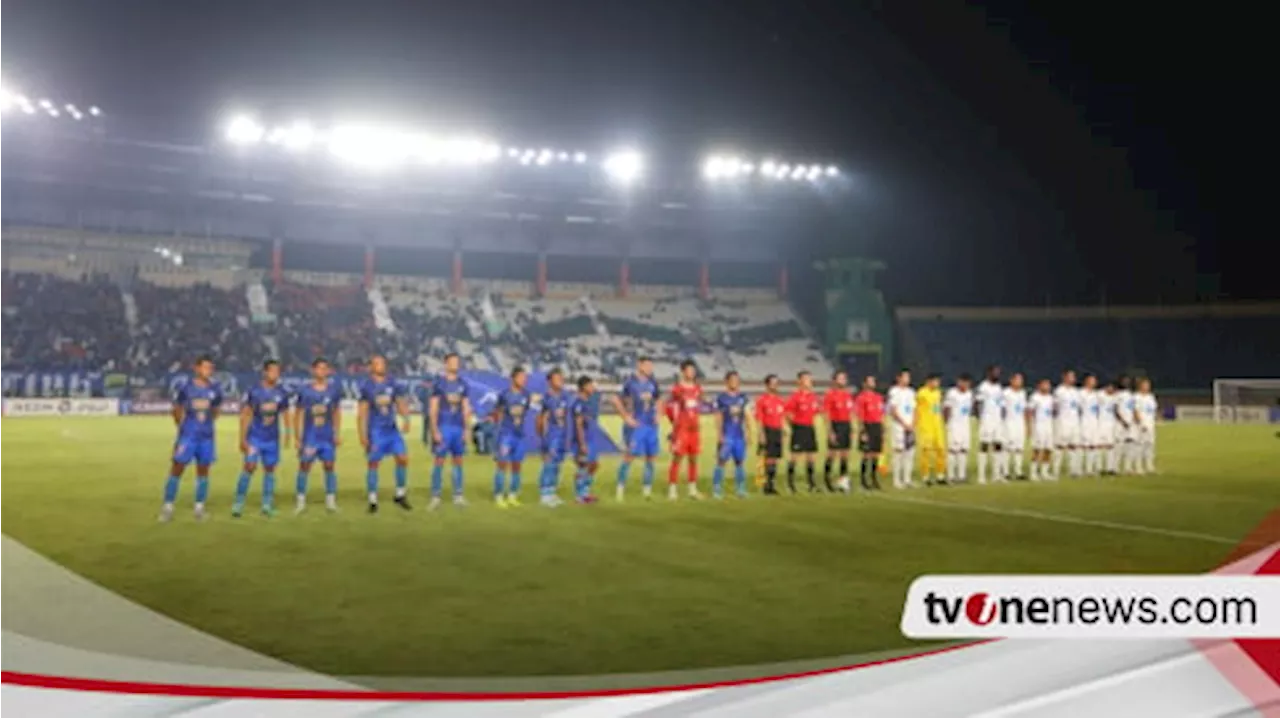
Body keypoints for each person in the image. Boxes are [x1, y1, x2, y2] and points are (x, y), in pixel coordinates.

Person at [159, 355, 223, 522]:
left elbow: (216, 409)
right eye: (205, 367)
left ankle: (199, 507)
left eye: (210, 368)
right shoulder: (186, 387)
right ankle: (167, 506)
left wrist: (207, 425)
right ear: (196, 368)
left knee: (203, 471)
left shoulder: (215, 388)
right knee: (177, 468)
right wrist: (182, 427)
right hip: (188, 436)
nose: (208, 371)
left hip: (206, 437)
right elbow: (177, 409)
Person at [233, 359, 291, 518]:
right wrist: (242, 438)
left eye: (278, 372)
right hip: (255, 437)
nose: (275, 375)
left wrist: (288, 432)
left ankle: (267, 503)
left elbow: (285, 412)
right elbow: (246, 415)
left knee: (270, 469)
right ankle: (238, 503)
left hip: (272, 438)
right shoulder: (254, 391)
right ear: (265, 372)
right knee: (249, 466)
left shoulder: (282, 392)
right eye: (272, 371)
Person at [358, 354, 412, 513]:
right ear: (371, 367)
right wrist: (362, 435)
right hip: (376, 431)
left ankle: (400, 494)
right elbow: (362, 412)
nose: (381, 366)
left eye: (383, 363)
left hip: (392, 429)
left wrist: (406, 418)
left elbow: (400, 402)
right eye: (377, 363)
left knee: (402, 458)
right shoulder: (367, 386)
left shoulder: (392, 383)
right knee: (374, 463)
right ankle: (373, 499)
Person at [293, 357, 343, 513]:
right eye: (319, 368)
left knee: (329, 466)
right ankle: (300, 502)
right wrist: (298, 437)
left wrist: (336, 433)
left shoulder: (333, 390)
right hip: (310, 436)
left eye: (325, 368)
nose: (322, 371)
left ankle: (331, 502)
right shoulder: (305, 391)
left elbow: (336, 412)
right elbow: (298, 413)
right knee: (304, 466)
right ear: (313, 371)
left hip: (327, 436)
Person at [613, 356, 663, 501]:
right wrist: (626, 417)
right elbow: (616, 399)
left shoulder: (653, 382)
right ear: (639, 366)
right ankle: (620, 489)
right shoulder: (630, 382)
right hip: (637, 425)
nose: (650, 368)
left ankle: (647, 490)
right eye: (647, 365)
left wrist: (659, 414)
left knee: (651, 457)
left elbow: (659, 399)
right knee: (630, 456)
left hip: (651, 426)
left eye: (651, 366)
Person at [429, 353, 472, 509]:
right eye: (452, 361)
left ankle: (458, 495)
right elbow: (433, 408)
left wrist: (467, 429)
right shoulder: (439, 384)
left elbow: (466, 408)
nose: (455, 364)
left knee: (458, 461)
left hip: (458, 428)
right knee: (439, 460)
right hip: (443, 427)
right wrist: (434, 430)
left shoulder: (463, 384)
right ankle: (435, 496)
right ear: (446, 364)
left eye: (457, 362)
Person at [491, 366, 532, 507]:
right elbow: (497, 413)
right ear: (513, 378)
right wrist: (498, 432)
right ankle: (498, 494)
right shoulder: (504, 395)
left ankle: (513, 494)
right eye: (521, 377)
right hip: (506, 434)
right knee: (502, 464)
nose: (524, 380)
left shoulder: (526, 395)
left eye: (525, 378)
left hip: (519, 435)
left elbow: (524, 412)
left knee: (517, 465)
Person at [667, 360, 704, 500]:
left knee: (694, 458)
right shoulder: (677, 389)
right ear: (683, 372)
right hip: (682, 428)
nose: (692, 373)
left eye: (693, 370)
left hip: (694, 428)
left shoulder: (698, 389)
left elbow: (697, 407)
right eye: (689, 370)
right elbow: (672, 409)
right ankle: (672, 490)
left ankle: (692, 490)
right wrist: (674, 429)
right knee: (677, 458)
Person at [713, 371, 752, 499]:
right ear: (727, 382)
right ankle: (717, 489)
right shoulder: (721, 398)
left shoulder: (743, 397)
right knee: (721, 461)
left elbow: (747, 416)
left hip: (739, 435)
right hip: (727, 434)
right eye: (732, 380)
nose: (735, 382)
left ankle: (740, 488)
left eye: (737, 380)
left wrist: (748, 432)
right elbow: (718, 417)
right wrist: (719, 434)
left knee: (740, 462)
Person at [537, 368, 570, 507]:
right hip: (552, 434)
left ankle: (552, 491)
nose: (560, 381)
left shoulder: (565, 396)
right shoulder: (547, 398)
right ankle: (544, 493)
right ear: (550, 381)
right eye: (557, 378)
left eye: (561, 378)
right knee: (549, 463)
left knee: (557, 464)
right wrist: (544, 438)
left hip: (562, 434)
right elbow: (542, 418)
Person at [784, 370, 822, 493]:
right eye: (806, 379)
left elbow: (817, 411)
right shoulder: (795, 397)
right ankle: (790, 484)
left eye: (810, 379)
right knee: (794, 456)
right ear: (800, 381)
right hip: (799, 428)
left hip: (810, 428)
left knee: (811, 457)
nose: (809, 381)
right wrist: (794, 425)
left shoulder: (813, 397)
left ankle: (811, 484)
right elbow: (788, 413)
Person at [568, 375, 601, 503]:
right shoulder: (578, 403)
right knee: (583, 465)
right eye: (591, 385)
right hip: (583, 440)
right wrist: (582, 443)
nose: (593, 388)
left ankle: (585, 492)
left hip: (591, 438)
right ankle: (579, 495)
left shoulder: (588, 401)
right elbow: (579, 424)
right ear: (584, 387)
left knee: (593, 465)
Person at [822, 370, 855, 492]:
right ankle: (827, 479)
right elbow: (826, 414)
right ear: (835, 380)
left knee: (845, 454)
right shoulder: (830, 395)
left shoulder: (847, 395)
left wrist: (851, 428)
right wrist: (830, 431)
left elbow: (850, 412)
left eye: (844, 378)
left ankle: (843, 481)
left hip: (846, 425)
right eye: (841, 378)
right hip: (836, 425)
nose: (843, 380)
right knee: (832, 453)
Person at [755, 374, 787, 495]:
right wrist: (761, 433)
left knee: (775, 459)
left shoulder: (780, 400)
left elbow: (781, 417)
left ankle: (771, 484)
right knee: (765, 458)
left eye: (776, 383)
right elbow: (759, 418)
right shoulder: (762, 400)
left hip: (777, 431)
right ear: (767, 385)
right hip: (767, 430)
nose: (775, 385)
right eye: (773, 383)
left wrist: (783, 430)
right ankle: (762, 484)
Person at [852, 374, 885, 490]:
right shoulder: (861, 398)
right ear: (864, 384)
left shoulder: (879, 397)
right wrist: (863, 430)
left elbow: (881, 413)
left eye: (873, 381)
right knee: (866, 454)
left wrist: (883, 427)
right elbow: (859, 415)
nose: (873, 383)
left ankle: (874, 478)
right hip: (867, 426)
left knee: (876, 453)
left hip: (877, 426)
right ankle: (863, 480)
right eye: (870, 381)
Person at [886, 369, 916, 489]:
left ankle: (907, 479)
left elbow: (914, 409)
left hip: (910, 425)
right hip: (899, 426)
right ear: (898, 378)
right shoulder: (894, 391)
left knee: (910, 452)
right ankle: (897, 480)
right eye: (905, 377)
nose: (907, 379)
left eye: (908, 377)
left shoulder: (911, 392)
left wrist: (912, 424)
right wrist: (903, 423)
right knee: (898, 452)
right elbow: (893, 410)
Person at [975, 365, 1005, 484]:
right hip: (986, 419)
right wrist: (979, 418)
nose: (997, 374)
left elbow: (1001, 405)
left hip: (997, 421)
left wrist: (1002, 418)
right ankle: (981, 476)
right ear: (989, 373)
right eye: (995, 372)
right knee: (984, 446)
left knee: (998, 445)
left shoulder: (999, 387)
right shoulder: (983, 387)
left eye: (998, 372)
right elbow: (977, 403)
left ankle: (996, 475)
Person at [914, 373, 945, 486]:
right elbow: (916, 409)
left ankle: (940, 475)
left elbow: (937, 409)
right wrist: (916, 423)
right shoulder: (921, 393)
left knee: (941, 450)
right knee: (926, 452)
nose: (937, 383)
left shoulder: (938, 393)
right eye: (936, 381)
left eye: (938, 381)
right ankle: (925, 476)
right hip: (926, 426)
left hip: (937, 426)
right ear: (929, 381)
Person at [943, 374, 974, 483]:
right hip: (954, 424)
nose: (966, 385)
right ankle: (951, 475)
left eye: (968, 383)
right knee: (952, 450)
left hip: (965, 425)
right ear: (959, 382)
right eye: (964, 382)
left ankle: (961, 475)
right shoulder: (952, 393)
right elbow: (947, 408)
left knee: (963, 449)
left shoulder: (969, 394)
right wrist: (946, 423)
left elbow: (969, 409)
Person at [1053, 369, 1082, 478]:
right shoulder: (1059, 391)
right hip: (1062, 421)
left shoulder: (1076, 392)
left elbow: (1078, 408)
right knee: (1060, 446)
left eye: (1073, 376)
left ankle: (1073, 470)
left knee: (1073, 446)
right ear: (1064, 378)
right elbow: (1055, 408)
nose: (1073, 379)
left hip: (1074, 422)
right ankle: (1056, 470)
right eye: (1070, 376)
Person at [1002, 372, 1029, 480]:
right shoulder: (1006, 393)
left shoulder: (1022, 393)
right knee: (1008, 448)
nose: (1020, 382)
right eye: (1017, 380)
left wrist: (1026, 424)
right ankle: (1005, 471)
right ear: (1011, 381)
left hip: (1019, 423)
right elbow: (1002, 409)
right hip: (1009, 423)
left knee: (1019, 448)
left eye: (1021, 380)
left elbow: (1024, 410)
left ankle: (1018, 471)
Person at [1029, 379, 1056, 480]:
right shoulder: (1035, 397)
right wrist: (1030, 426)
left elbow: (1053, 412)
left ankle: (1045, 472)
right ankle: (1033, 473)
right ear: (1039, 386)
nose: (1047, 387)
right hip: (1039, 426)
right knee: (1037, 449)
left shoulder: (1050, 398)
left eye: (1048, 385)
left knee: (1048, 449)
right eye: (1045, 385)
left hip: (1048, 426)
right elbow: (1030, 412)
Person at [1078, 373, 1102, 476]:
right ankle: (1079, 468)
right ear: (1086, 381)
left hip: (1094, 422)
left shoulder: (1096, 394)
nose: (1094, 382)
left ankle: (1090, 468)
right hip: (1084, 422)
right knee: (1084, 446)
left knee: (1094, 445)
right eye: (1091, 380)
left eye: (1094, 380)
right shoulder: (1081, 393)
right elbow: (1078, 409)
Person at [1135, 378, 1158, 474]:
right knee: (1140, 446)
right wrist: (1141, 423)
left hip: (1151, 424)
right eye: (1145, 385)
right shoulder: (1137, 397)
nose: (1147, 387)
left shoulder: (1151, 397)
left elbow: (1154, 410)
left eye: (1148, 385)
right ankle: (1138, 467)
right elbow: (1135, 411)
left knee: (1150, 445)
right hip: (1142, 424)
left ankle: (1149, 466)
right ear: (1140, 386)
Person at [1114, 375, 1137, 474]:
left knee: (1130, 444)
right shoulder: (1118, 395)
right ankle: (1116, 467)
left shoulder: (1131, 395)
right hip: (1121, 423)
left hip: (1131, 423)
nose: (1126, 383)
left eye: (1127, 381)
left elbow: (1133, 409)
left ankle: (1128, 467)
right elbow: (1115, 409)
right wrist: (1122, 421)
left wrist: (1135, 420)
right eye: (1124, 381)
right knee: (1119, 445)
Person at [1099, 380, 1119, 475]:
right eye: (1109, 387)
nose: (1111, 389)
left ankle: (1110, 467)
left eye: (1112, 387)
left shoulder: (1114, 398)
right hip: (1101, 424)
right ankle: (1099, 467)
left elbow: (1115, 410)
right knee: (1100, 446)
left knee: (1111, 446)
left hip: (1111, 424)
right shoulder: (1100, 395)